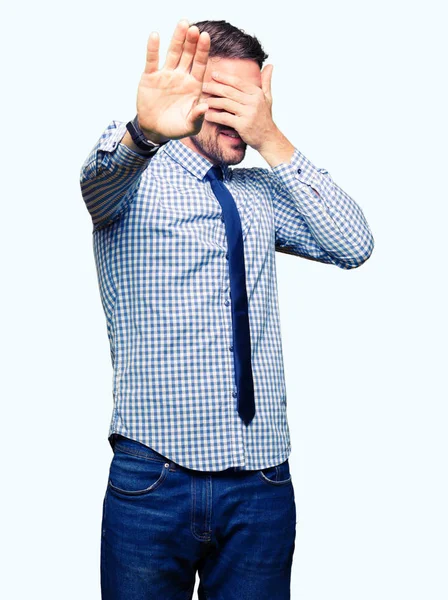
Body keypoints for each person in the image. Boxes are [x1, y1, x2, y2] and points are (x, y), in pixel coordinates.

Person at [79, 18, 374, 600]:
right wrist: (143, 132)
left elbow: (354, 243)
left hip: (260, 482)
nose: (240, 115)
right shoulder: (135, 181)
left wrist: (274, 140)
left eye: (251, 100)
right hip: (155, 478)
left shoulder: (260, 194)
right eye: (224, 99)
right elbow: (97, 179)